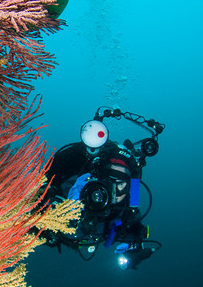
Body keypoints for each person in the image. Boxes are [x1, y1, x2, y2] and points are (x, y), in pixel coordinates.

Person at [44, 107, 165, 269]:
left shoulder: (126, 208)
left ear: (129, 187)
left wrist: (135, 252)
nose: (114, 191)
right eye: (109, 182)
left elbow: (134, 231)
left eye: (120, 184)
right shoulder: (78, 185)